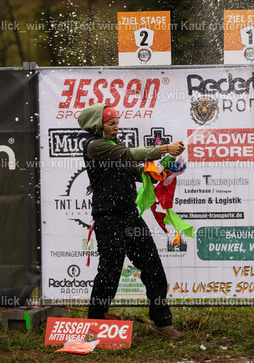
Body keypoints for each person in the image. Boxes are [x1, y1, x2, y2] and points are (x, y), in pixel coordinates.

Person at [78, 103, 185, 340]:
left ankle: (161, 323)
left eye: (117, 122)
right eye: (111, 123)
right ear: (97, 125)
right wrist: (165, 148)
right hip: (108, 219)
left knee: (153, 269)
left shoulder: (114, 147)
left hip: (131, 217)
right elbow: (129, 154)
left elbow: (141, 174)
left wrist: (167, 165)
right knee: (109, 273)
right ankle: (94, 325)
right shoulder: (95, 146)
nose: (116, 127)